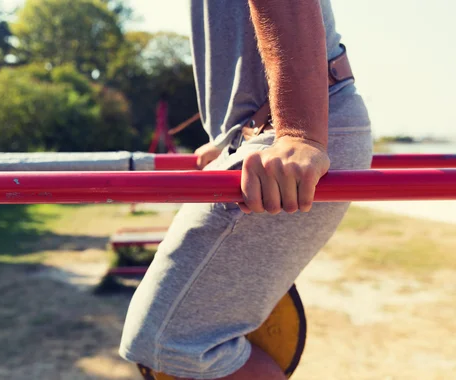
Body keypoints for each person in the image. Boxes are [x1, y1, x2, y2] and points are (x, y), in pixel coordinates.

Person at [119, 0, 373, 379]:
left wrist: (299, 132)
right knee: (168, 341)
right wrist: (230, 136)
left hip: (287, 138)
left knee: (168, 342)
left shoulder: (293, 135)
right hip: (258, 133)